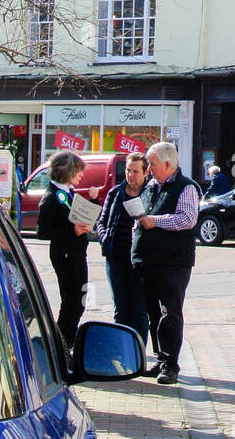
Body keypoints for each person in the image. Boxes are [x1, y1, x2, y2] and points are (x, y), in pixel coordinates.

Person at [132, 141, 201, 385]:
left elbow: (187, 219)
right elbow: (142, 214)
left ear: (168, 164)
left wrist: (155, 221)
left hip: (173, 261)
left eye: (152, 164)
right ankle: (161, 359)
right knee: (153, 312)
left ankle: (171, 364)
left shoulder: (186, 187)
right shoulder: (151, 186)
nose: (149, 169)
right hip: (148, 259)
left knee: (169, 311)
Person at [36, 151, 94, 348]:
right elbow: (42, 231)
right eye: (78, 171)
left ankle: (64, 342)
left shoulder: (67, 192)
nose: (82, 175)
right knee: (71, 302)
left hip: (77, 253)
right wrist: (72, 230)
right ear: (68, 171)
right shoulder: (51, 197)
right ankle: (61, 345)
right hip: (65, 255)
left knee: (80, 301)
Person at [97, 151, 152, 352]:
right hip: (116, 257)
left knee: (138, 309)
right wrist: (104, 238)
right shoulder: (115, 193)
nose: (131, 175)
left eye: (136, 171)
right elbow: (102, 222)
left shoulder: (150, 194)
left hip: (139, 260)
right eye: (128, 170)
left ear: (146, 173)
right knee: (120, 308)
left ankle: (138, 353)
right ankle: (122, 352)